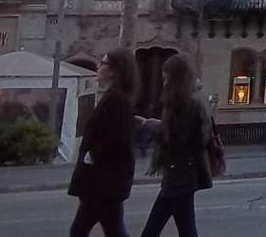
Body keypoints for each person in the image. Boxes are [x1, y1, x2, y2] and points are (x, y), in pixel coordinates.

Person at [138, 54, 213, 237]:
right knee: (180, 229)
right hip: (179, 173)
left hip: (181, 174)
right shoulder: (185, 101)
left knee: (155, 231)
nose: (164, 83)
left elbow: (176, 139)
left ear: (176, 78)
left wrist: (149, 125)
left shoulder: (188, 103)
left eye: (166, 78)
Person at [69, 49, 138, 237]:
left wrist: (93, 154)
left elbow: (118, 137)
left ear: (115, 70)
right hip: (101, 181)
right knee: (100, 229)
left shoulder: (117, 100)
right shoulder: (112, 97)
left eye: (104, 64)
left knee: (86, 230)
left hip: (105, 180)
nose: (99, 67)